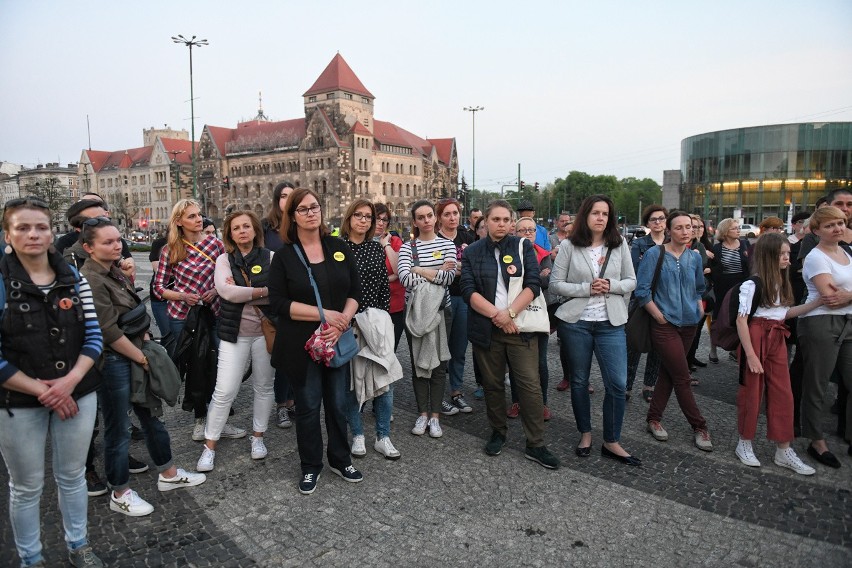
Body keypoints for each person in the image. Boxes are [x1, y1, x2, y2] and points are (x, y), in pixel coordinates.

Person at [0, 197, 105, 567]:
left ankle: (79, 545)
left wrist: (69, 382)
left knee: (72, 476)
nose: (33, 234)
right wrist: (43, 390)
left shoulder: (72, 276)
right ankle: (31, 558)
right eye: (23, 227)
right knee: (26, 487)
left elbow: (94, 335)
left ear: (52, 231)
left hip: (77, 391)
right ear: (8, 235)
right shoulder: (1, 281)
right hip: (17, 401)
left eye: (41, 226)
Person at [80, 217, 206, 517]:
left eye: (117, 239)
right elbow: (108, 331)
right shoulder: (91, 279)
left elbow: (134, 306)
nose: (116, 245)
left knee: (151, 417)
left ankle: (169, 473)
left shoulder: (113, 270)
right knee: (118, 429)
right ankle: (119, 491)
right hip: (115, 361)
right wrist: (143, 358)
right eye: (107, 242)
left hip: (134, 352)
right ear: (88, 247)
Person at [268, 187, 363, 495]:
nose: (312, 213)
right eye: (304, 209)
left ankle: (340, 458)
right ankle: (311, 466)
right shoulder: (284, 257)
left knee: (337, 403)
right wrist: (325, 315)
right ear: (292, 217)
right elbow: (279, 304)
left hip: (336, 339)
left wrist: (341, 322)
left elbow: (355, 292)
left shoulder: (338, 246)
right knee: (308, 406)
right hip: (300, 343)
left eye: (315, 207)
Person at [460, 200, 559, 469]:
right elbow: (468, 290)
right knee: (492, 385)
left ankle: (536, 443)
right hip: (487, 329)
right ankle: (498, 432)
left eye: (506, 220)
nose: (501, 224)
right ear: (485, 223)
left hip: (520, 327)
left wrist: (510, 314)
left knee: (529, 385)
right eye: (496, 219)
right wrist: (498, 316)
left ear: (512, 223)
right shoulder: (472, 252)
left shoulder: (523, 246)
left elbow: (533, 284)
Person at [551, 195, 639, 465]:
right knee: (579, 381)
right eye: (595, 213)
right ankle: (585, 433)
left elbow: (631, 281)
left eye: (605, 213)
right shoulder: (568, 246)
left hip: (610, 324)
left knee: (617, 383)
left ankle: (611, 440)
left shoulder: (620, 243)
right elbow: (556, 284)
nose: (600, 217)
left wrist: (610, 285)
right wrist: (585, 289)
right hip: (576, 323)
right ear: (585, 216)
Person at [153, 199, 244, 441]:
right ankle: (200, 419)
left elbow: (229, 276)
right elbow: (159, 288)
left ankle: (220, 420)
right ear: (179, 221)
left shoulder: (215, 245)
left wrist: (216, 290)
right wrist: (183, 296)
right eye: (192, 216)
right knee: (195, 369)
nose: (198, 219)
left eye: (199, 215)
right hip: (185, 318)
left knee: (219, 367)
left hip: (214, 313)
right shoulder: (170, 249)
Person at [196, 211, 276, 472]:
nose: (242, 231)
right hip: (234, 333)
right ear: (229, 234)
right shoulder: (223, 259)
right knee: (224, 391)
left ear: (255, 230)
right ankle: (209, 446)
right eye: (236, 228)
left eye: (246, 226)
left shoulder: (270, 257)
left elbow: (279, 292)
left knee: (264, 387)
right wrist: (262, 291)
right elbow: (226, 291)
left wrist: (246, 293)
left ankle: (258, 437)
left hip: (265, 332)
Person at [734, 233, 819, 475]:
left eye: (788, 254)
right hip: (756, 337)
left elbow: (783, 314)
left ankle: (783, 449)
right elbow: (741, 321)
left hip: (776, 338)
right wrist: (750, 354)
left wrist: (817, 303)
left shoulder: (781, 283)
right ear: (770, 255)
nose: (787, 259)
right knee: (751, 392)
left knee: (784, 393)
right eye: (783, 254)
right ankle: (745, 442)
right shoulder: (753, 284)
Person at [636, 211, 713, 452]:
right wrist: (657, 315)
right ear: (669, 230)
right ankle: (700, 426)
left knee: (670, 374)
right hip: (664, 324)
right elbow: (642, 290)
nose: (685, 231)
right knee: (682, 377)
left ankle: (653, 418)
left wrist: (699, 308)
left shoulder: (695, 257)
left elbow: (700, 287)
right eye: (679, 227)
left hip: (689, 323)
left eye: (688, 227)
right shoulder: (653, 253)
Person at [339, 199, 400, 459]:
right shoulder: (338, 249)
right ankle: (358, 434)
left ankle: (383, 436)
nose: (363, 220)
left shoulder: (376, 249)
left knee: (384, 380)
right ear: (349, 218)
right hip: (350, 324)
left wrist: (383, 318)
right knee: (353, 382)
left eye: (368, 217)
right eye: (358, 215)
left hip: (376, 323)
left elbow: (384, 289)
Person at [797, 206, 852, 468]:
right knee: (817, 384)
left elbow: (843, 295)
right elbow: (830, 297)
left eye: (841, 223)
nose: (838, 228)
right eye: (830, 225)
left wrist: (849, 294)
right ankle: (816, 439)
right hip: (821, 322)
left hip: (849, 320)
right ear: (817, 230)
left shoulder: (847, 251)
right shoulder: (815, 257)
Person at [398, 200, 457, 438]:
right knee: (418, 365)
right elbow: (405, 279)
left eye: (430, 215)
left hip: (443, 312)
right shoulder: (406, 247)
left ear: (435, 218)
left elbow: (450, 277)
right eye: (420, 217)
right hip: (416, 313)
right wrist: (436, 271)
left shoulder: (447, 244)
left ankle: (435, 416)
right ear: (414, 221)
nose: (426, 220)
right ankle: (422, 414)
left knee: (440, 366)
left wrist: (419, 270)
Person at [507, 217, 554, 420]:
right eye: (523, 230)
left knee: (540, 362)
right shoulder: (509, 253)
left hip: (538, 314)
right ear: (515, 233)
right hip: (515, 314)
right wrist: (537, 276)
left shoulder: (544, 254)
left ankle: (541, 403)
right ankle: (517, 401)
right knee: (516, 362)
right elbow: (508, 279)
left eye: (531, 230)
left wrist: (533, 278)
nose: (527, 233)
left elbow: (547, 281)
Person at [436, 197, 475, 414]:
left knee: (459, 348)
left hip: (463, 298)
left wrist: (454, 267)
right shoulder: (435, 239)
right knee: (441, 348)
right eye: (447, 214)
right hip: (441, 298)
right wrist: (455, 268)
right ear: (440, 218)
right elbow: (438, 270)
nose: (452, 217)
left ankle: (457, 391)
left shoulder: (466, 237)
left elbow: (470, 267)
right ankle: (438, 395)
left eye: (455, 213)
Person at [264, 181, 296, 428]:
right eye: (284, 196)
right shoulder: (267, 228)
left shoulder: (299, 225)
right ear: (277, 200)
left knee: (300, 353)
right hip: (277, 297)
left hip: (300, 295)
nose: (287, 200)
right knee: (283, 354)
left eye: (292, 196)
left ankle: (294, 401)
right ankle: (281, 405)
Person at [627, 205, 667, 402]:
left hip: (665, 300)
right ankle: (627, 385)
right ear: (648, 223)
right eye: (654, 219)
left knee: (657, 347)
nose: (658, 222)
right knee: (634, 342)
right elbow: (635, 271)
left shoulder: (672, 242)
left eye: (661, 218)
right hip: (642, 299)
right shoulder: (640, 244)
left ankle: (649, 386)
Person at [708, 217, 751, 362]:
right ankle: (713, 350)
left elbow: (750, 264)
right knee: (719, 317)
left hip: (742, 285)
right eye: (734, 228)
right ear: (725, 231)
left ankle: (734, 349)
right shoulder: (717, 248)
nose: (738, 230)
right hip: (723, 286)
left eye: (738, 227)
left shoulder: (745, 244)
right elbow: (714, 269)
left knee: (739, 316)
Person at [686, 214, 713, 373]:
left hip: (700, 293)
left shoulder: (703, 246)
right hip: (682, 295)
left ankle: (689, 360)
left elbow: (702, 268)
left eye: (699, 227)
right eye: (693, 226)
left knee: (695, 329)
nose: (696, 230)